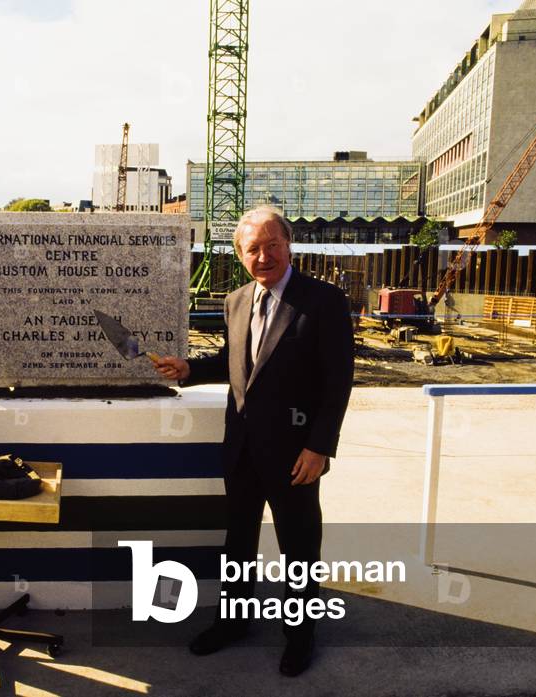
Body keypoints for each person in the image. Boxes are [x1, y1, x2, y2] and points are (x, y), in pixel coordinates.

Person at [153, 206, 354, 677]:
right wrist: (189, 369)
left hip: (296, 454)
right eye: (252, 248)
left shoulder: (324, 300)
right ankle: (234, 623)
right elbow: (236, 361)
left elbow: (338, 380)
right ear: (240, 254)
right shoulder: (237, 299)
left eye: (272, 245)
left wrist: (320, 447)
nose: (263, 256)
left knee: (299, 549)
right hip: (242, 447)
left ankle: (300, 636)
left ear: (289, 245)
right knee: (238, 544)